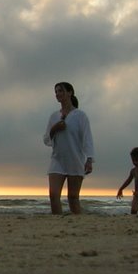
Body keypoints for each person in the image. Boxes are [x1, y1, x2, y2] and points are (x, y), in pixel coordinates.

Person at [43, 81, 94, 215]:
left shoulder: (80, 116)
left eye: (60, 91)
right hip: (57, 159)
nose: (58, 94)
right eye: (56, 92)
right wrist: (55, 128)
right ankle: (57, 222)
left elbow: (87, 138)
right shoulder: (54, 116)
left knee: (73, 197)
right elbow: (47, 139)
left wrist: (89, 159)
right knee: (53, 195)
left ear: (70, 92)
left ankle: (77, 223)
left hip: (75, 159)